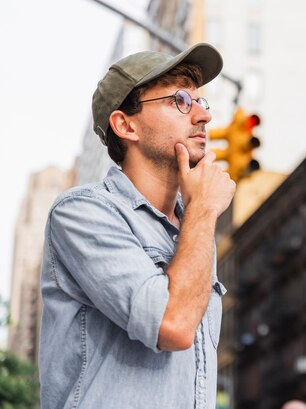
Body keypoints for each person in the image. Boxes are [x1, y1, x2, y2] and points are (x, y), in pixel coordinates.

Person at [38, 43, 235, 409]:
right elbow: (172, 325)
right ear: (126, 125)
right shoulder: (83, 212)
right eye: (179, 100)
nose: (202, 116)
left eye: (199, 101)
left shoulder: (190, 224)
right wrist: (204, 211)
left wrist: (198, 215)